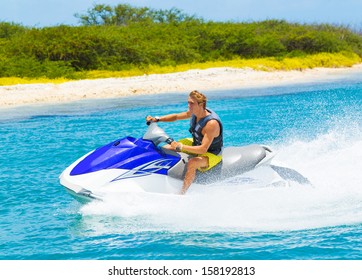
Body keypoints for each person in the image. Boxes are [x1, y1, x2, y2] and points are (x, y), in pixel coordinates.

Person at [146, 90, 223, 194]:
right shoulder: (195, 112)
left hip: (212, 153)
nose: (188, 105)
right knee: (166, 148)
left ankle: (182, 193)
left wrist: (180, 147)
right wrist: (158, 119)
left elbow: (202, 149)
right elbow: (176, 117)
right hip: (196, 143)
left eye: (192, 103)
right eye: (188, 102)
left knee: (192, 163)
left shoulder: (211, 124)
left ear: (201, 104)